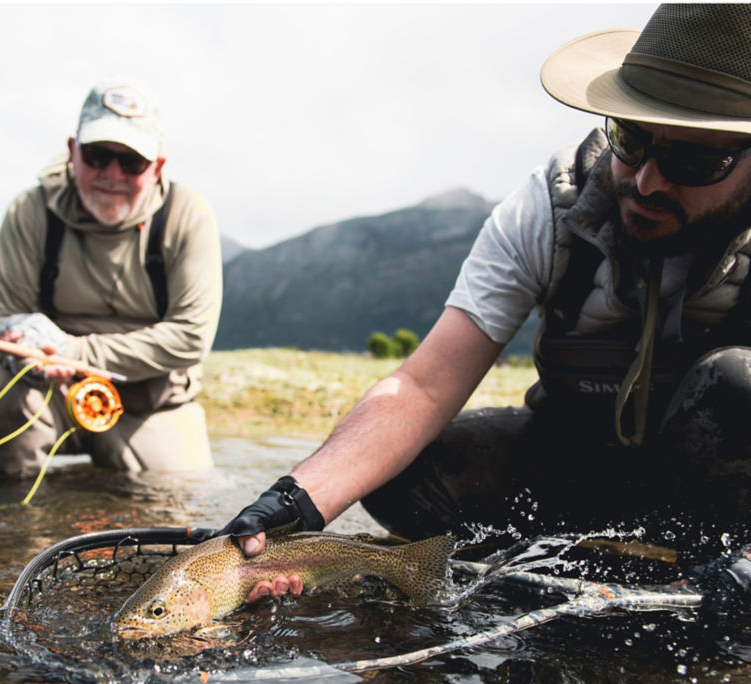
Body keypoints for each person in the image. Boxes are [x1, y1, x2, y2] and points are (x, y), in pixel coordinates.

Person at [223, 4, 751, 617]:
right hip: (568, 465)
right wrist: (297, 500)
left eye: (693, 161)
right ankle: (527, 565)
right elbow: (421, 386)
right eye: (630, 139)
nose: (647, 181)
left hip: (715, 491)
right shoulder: (549, 205)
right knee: (400, 467)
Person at [0, 78, 221, 476]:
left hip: (151, 399)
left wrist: (73, 351)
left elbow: (190, 337)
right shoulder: (29, 210)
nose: (112, 174)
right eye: (98, 155)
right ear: (72, 151)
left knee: (176, 506)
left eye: (132, 161)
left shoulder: (188, 215)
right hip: (48, 390)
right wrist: (17, 343)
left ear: (157, 168)